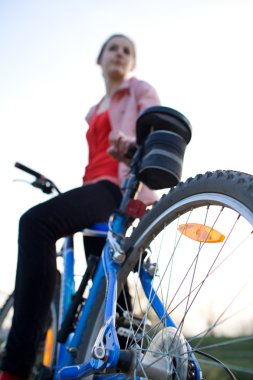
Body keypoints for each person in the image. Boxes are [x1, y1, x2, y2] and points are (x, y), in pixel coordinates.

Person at [0, 34, 160, 380]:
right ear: (99, 59)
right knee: (107, 295)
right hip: (94, 190)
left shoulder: (137, 90)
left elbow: (154, 126)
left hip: (116, 187)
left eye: (126, 51)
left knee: (35, 225)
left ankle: (13, 368)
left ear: (131, 63)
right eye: (113, 48)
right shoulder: (95, 110)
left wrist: (133, 146)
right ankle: (114, 365)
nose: (119, 54)